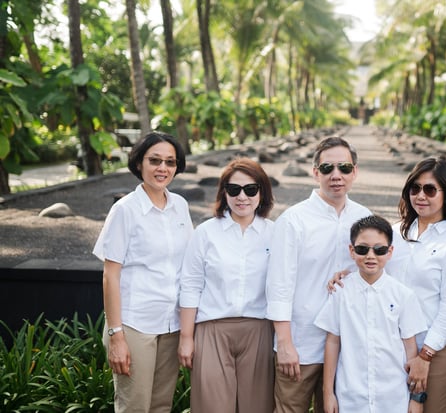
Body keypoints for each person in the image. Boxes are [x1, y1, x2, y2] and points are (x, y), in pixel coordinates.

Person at [329, 156, 446, 412]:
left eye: (430, 189)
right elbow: (374, 263)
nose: (420, 196)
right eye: (414, 189)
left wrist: (424, 356)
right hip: (394, 346)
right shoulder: (395, 233)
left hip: (436, 351)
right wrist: (345, 273)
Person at [266, 136, 372, 413]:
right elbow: (279, 285)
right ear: (315, 173)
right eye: (327, 168)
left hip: (348, 345)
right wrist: (285, 344)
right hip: (302, 344)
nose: (336, 175)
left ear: (355, 171)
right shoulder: (293, 220)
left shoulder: (365, 218)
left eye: (344, 168)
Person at [93, 132, 192, 413]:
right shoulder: (125, 210)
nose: (163, 168)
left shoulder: (180, 207)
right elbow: (109, 275)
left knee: (161, 406)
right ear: (139, 163)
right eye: (155, 160)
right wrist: (116, 336)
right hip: (135, 326)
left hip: (171, 324)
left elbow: (189, 265)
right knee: (134, 407)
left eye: (170, 162)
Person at [178, 158, 276, 412]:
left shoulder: (276, 233)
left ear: (261, 192)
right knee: (211, 406)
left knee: (257, 407)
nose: (242, 196)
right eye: (234, 189)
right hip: (212, 330)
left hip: (259, 330)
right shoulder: (206, 232)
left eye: (250, 189)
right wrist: (186, 338)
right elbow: (190, 285)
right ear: (224, 192)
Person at [314, 215, 428, 413]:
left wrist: (415, 398)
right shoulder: (340, 292)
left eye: (379, 249)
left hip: (393, 397)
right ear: (351, 250)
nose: (370, 255)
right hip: (351, 396)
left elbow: (410, 349)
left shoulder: (403, 295)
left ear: (390, 251)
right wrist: (328, 393)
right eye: (362, 249)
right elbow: (333, 342)